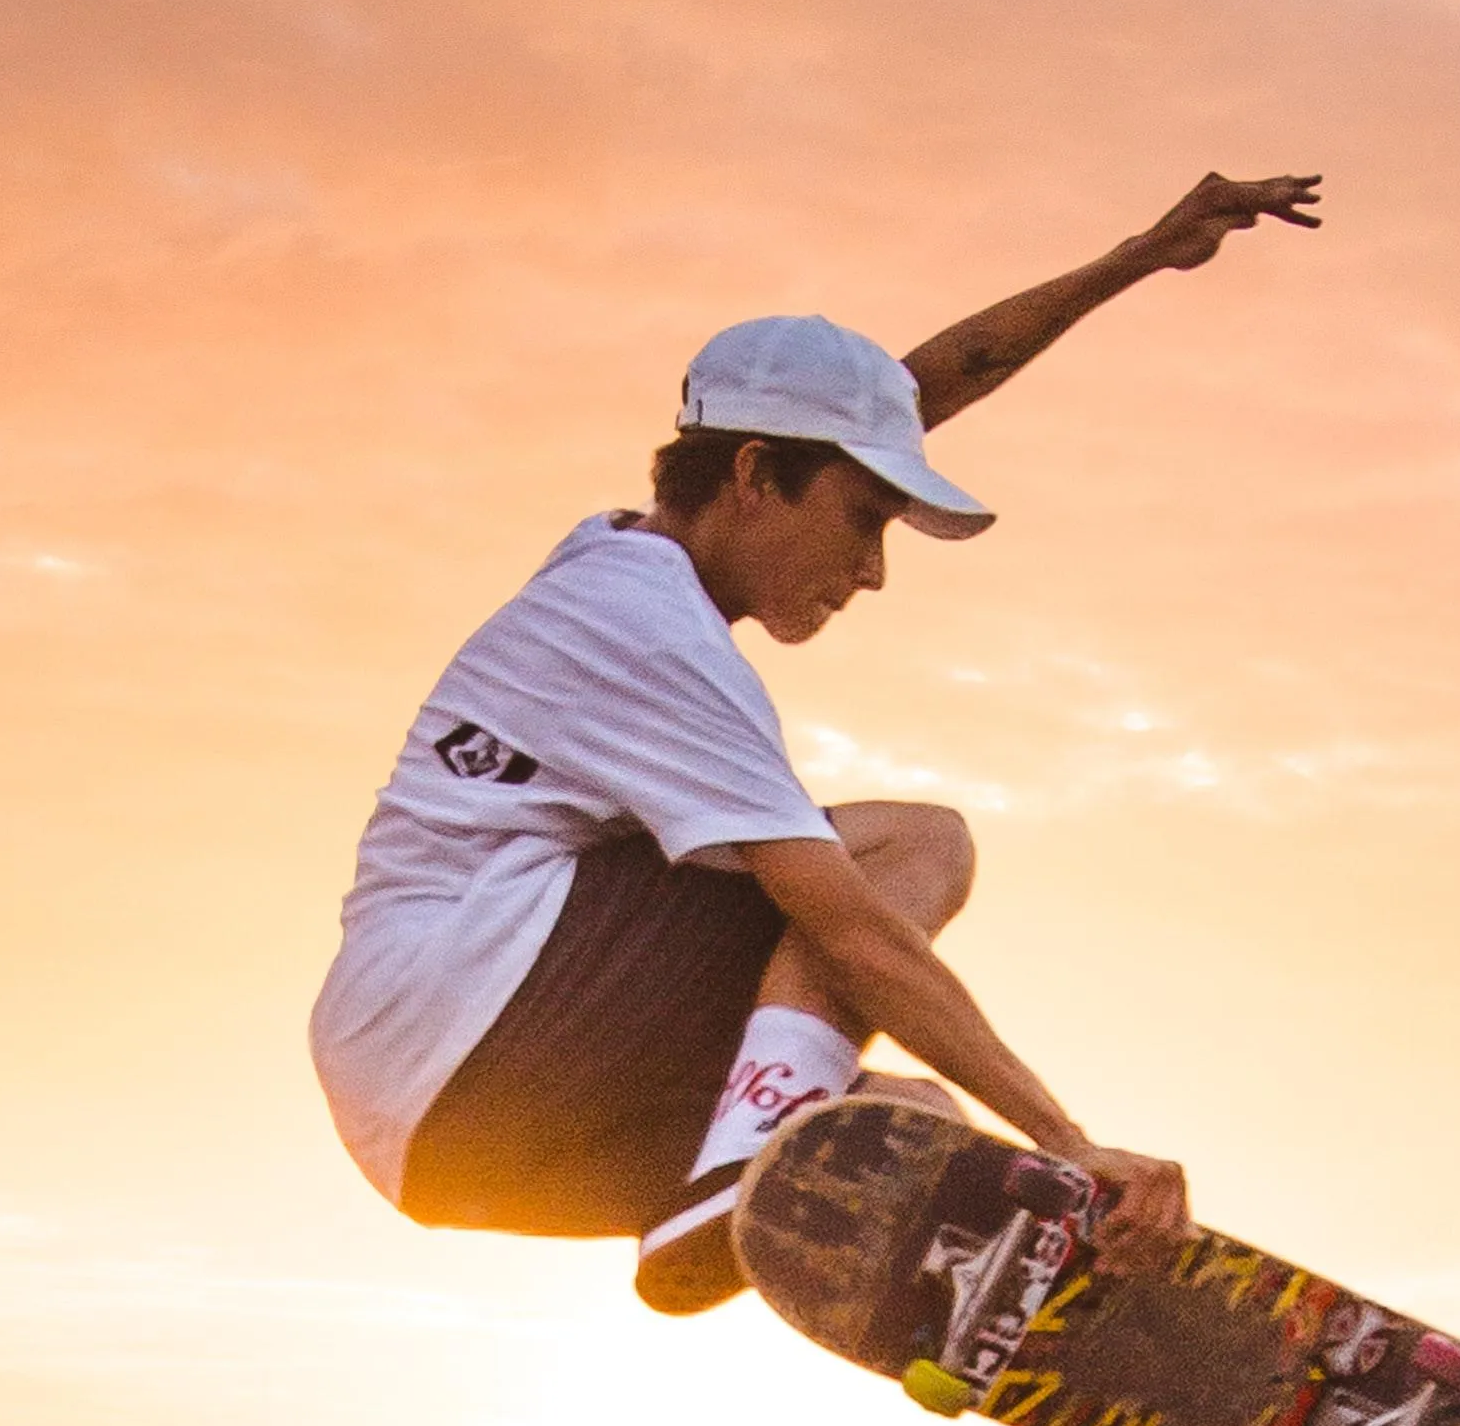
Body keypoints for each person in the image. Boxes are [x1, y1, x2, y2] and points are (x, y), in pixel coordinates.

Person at [309, 170, 1321, 1318]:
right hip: (470, 1028)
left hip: (451, 1141)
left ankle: (748, 1190)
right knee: (907, 849)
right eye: (862, 523)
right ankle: (741, 1163)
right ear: (751, 477)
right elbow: (848, 929)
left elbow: (901, 397)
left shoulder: (616, 564)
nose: (872, 570)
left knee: (917, 1148)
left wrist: (1133, 257)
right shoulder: (649, 634)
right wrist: (1066, 1135)